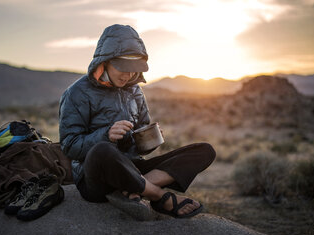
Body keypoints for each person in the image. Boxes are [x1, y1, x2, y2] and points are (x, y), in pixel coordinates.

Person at [59, 24, 216, 219]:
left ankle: (133, 188)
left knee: (204, 150)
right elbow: (69, 145)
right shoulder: (77, 93)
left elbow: (139, 148)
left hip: (132, 167)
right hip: (96, 178)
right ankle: (158, 195)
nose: (128, 75)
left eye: (134, 69)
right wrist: (106, 135)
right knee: (102, 149)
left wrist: (149, 141)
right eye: (123, 68)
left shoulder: (135, 91)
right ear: (105, 61)